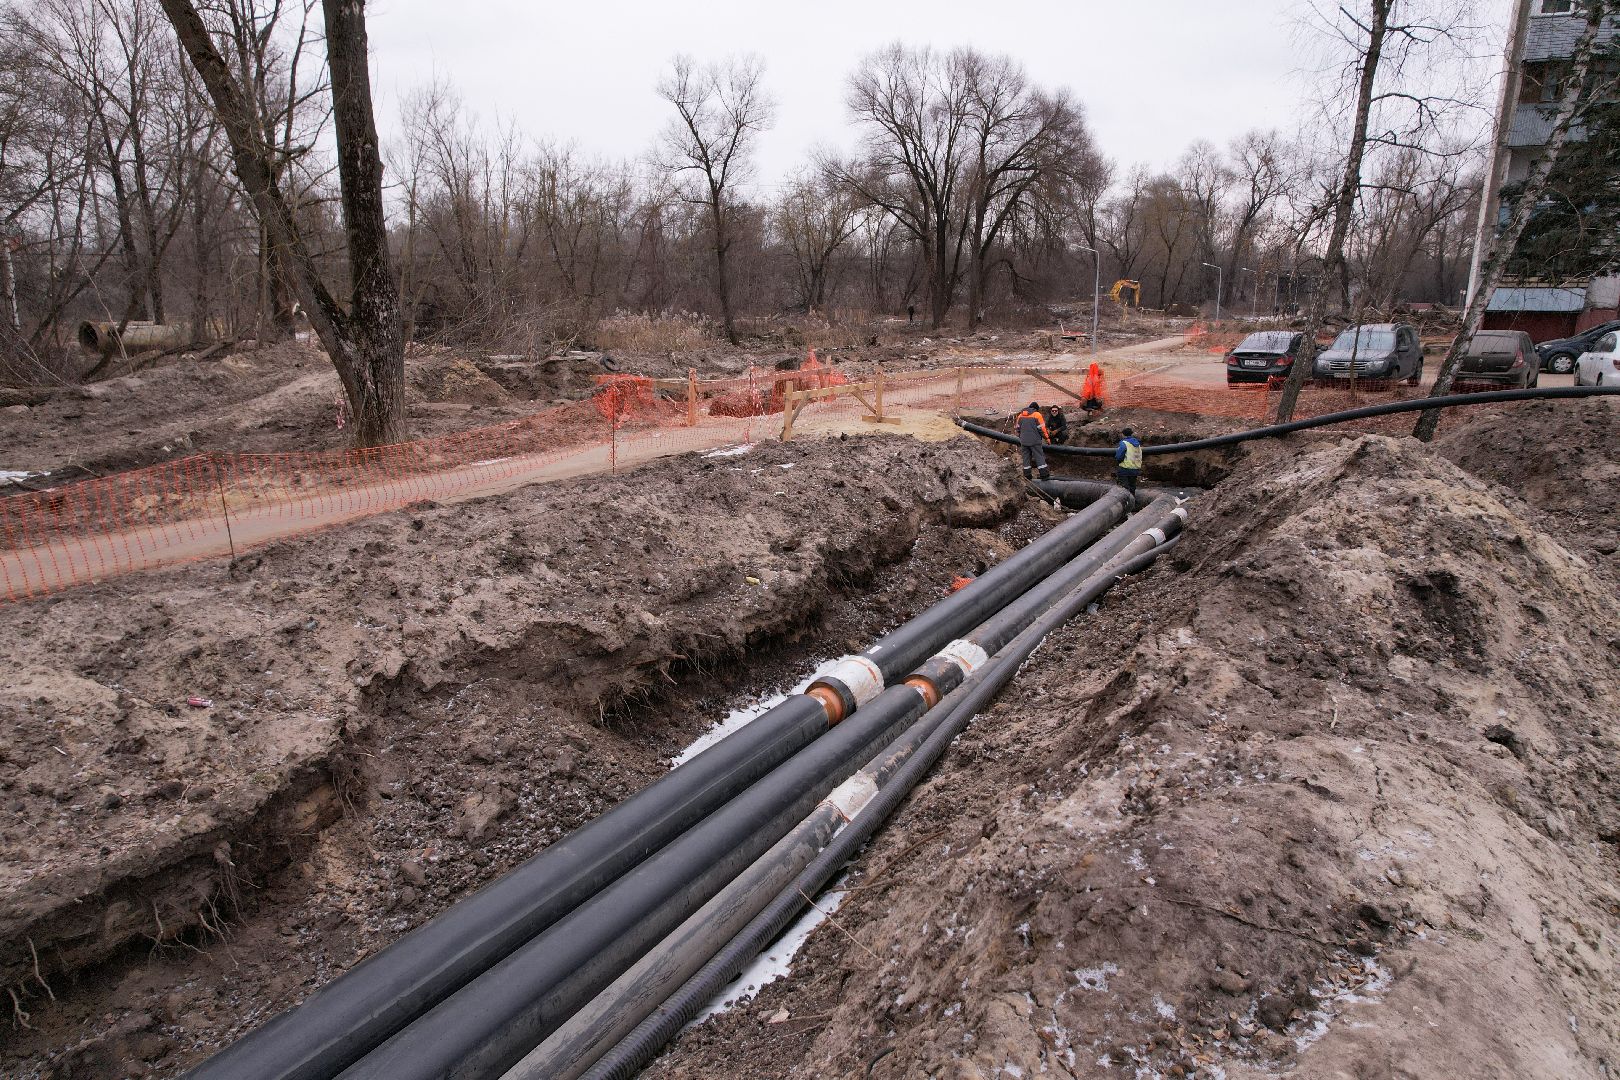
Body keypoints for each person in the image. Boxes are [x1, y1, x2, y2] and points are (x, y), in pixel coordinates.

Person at [1014, 401, 1051, 480]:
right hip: (1034, 441)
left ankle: (1027, 476)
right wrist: (1047, 439)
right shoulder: (1037, 415)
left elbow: (1017, 429)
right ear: (1036, 409)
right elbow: (1042, 429)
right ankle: (1044, 475)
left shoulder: (1020, 416)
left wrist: (1021, 437)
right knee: (1039, 456)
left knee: (1026, 458)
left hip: (1023, 441)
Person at [1115, 426, 1143, 494]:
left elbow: (1119, 456)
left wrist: (1118, 461)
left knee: (1124, 489)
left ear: (1123, 434)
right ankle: (1132, 502)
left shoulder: (1124, 443)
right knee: (1132, 487)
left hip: (1125, 469)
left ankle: (1125, 503)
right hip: (1135, 469)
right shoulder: (1137, 444)